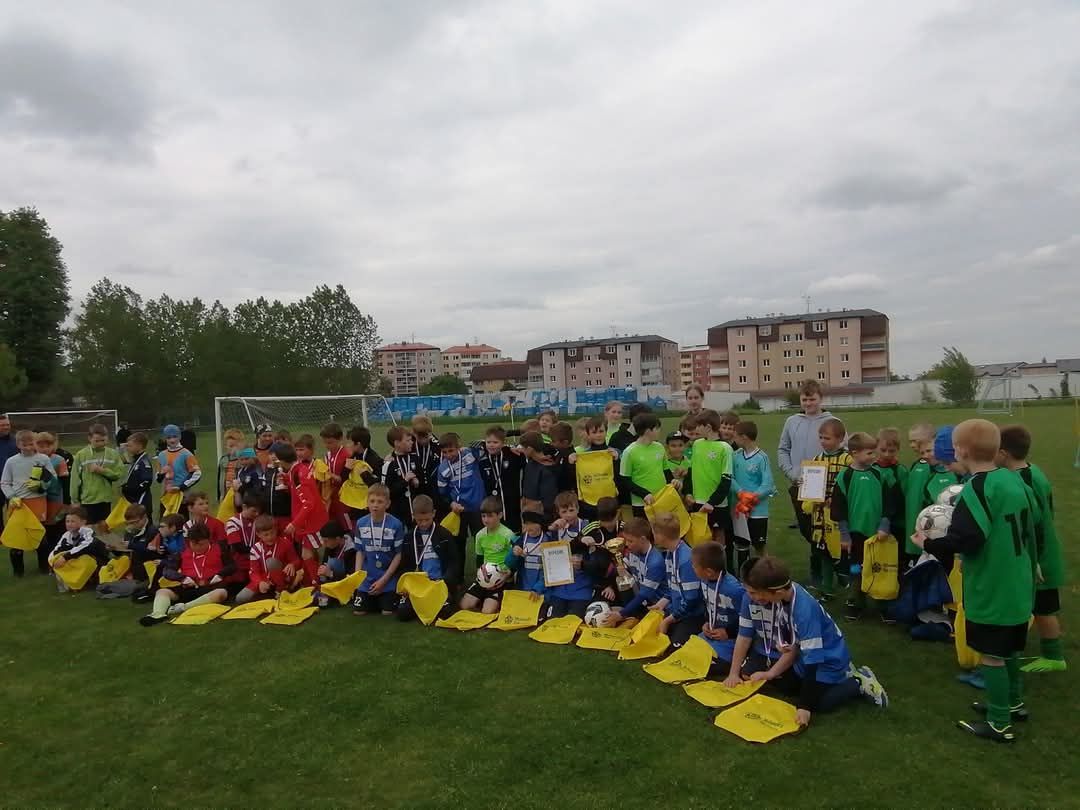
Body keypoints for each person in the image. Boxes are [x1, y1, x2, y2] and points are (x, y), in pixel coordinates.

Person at [912, 419, 1038, 743]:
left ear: (962, 450)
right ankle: (1012, 703)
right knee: (1009, 648)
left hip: (992, 584)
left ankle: (999, 723)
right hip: (1018, 578)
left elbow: (966, 540)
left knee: (991, 655)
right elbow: (1032, 526)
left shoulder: (977, 488)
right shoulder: (1013, 480)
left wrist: (928, 544)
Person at [724, 556, 887, 728]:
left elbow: (813, 661)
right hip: (803, 656)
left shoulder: (804, 610)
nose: (752, 597)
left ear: (776, 593)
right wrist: (770, 674)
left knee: (819, 704)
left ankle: (858, 681)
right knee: (786, 686)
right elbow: (794, 645)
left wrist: (804, 707)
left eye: (756, 593)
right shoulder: (785, 595)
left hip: (828, 660)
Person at [998, 425, 1066, 675]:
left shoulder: (1022, 479)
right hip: (1040, 550)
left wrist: (1034, 558)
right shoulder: (1033, 470)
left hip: (1038, 554)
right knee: (1040, 605)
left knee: (1043, 607)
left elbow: (1034, 523)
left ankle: (1054, 656)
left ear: (1003, 453)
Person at [831, 432, 899, 620]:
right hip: (855, 534)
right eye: (870, 453)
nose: (874, 457)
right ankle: (856, 601)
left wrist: (885, 524)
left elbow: (890, 503)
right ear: (854, 453)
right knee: (856, 567)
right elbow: (838, 508)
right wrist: (844, 535)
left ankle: (882, 603)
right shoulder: (845, 477)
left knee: (879, 567)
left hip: (878, 534)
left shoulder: (879, 474)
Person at [138, 523, 235, 625]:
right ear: (189, 542)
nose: (198, 548)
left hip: (211, 586)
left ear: (208, 540)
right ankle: (158, 614)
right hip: (189, 587)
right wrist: (182, 578)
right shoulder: (182, 552)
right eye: (194, 544)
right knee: (162, 591)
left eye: (202, 544)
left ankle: (184, 607)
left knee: (221, 593)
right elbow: (167, 571)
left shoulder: (220, 549)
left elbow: (232, 566)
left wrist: (220, 574)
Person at [777, 380, 834, 542]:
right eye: (804, 400)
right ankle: (817, 555)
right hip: (799, 484)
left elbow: (843, 452)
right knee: (806, 529)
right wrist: (792, 473)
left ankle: (823, 557)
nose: (808, 403)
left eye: (812, 399)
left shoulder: (833, 422)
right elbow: (783, 449)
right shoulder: (792, 422)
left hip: (825, 487)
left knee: (825, 528)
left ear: (821, 398)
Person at [801, 417, 851, 600]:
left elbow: (851, 487)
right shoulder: (817, 459)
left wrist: (836, 500)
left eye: (827, 438)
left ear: (840, 439)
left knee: (844, 553)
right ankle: (827, 588)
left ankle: (851, 584)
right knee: (824, 553)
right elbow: (810, 487)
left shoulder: (847, 460)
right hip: (820, 516)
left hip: (839, 517)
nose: (823, 441)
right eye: (821, 437)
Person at [2, 430, 57, 576]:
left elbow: (52, 478)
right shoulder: (11, 461)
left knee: (40, 537)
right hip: (18, 504)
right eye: (24, 445)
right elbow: (4, 482)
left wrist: (41, 485)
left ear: (35, 443)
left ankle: (44, 568)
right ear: (18, 444)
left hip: (38, 502)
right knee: (17, 539)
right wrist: (12, 496)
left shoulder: (43, 459)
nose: (28, 447)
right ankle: (18, 572)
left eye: (31, 444)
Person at [276, 442, 330, 587]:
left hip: (311, 522)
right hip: (312, 520)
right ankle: (316, 582)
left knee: (313, 553)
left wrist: (295, 524)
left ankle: (319, 584)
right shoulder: (298, 470)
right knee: (308, 553)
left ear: (282, 461)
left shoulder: (298, 474)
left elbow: (308, 503)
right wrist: (286, 480)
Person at [435, 432, 486, 583]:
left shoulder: (470, 454)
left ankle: (483, 577)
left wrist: (480, 443)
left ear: (459, 447)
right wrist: (451, 504)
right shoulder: (443, 469)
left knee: (481, 542)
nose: (448, 455)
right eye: (444, 452)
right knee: (458, 545)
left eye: (451, 450)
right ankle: (458, 579)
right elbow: (442, 493)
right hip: (459, 511)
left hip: (478, 508)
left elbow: (486, 448)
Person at [396, 496, 457, 621]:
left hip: (438, 584)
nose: (423, 523)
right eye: (419, 520)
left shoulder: (444, 535)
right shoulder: (409, 537)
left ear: (433, 513)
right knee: (403, 613)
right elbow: (404, 565)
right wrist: (406, 585)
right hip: (417, 586)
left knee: (445, 613)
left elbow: (454, 562)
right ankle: (421, 604)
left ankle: (433, 603)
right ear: (413, 515)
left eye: (427, 519)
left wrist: (445, 581)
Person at [685, 410, 734, 561]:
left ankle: (722, 569)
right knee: (700, 539)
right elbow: (691, 471)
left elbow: (726, 479)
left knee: (718, 538)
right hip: (698, 501)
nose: (696, 429)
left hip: (716, 504)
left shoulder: (725, 448)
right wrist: (688, 492)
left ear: (707, 427)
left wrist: (712, 502)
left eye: (698, 426)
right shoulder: (697, 444)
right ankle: (702, 568)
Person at [692, 540, 746, 674]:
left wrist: (729, 632)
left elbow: (747, 621)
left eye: (694, 566)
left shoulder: (734, 590)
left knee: (709, 665)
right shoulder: (704, 580)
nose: (692, 567)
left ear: (709, 572)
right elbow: (708, 605)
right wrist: (707, 622)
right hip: (712, 633)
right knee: (688, 654)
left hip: (730, 638)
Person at [602, 516, 666, 628]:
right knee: (620, 583)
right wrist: (609, 586)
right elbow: (621, 569)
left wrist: (621, 614)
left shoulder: (655, 562)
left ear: (642, 539)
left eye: (630, 541)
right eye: (626, 540)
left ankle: (631, 614)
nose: (626, 544)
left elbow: (644, 595)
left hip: (657, 606)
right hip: (642, 600)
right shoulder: (633, 552)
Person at [651, 512, 704, 647]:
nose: (653, 536)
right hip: (677, 613)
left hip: (692, 616)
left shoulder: (686, 561)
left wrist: (668, 621)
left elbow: (691, 600)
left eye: (654, 533)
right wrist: (662, 603)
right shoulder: (670, 553)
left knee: (674, 648)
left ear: (661, 536)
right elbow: (673, 586)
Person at [352, 484, 405, 616]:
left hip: (387, 579)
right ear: (367, 502)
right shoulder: (361, 523)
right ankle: (370, 597)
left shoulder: (396, 524)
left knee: (387, 612)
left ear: (388, 504)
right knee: (359, 612)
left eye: (380, 502)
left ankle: (383, 597)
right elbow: (360, 551)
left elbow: (398, 554)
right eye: (372, 501)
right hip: (366, 579)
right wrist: (357, 575)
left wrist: (384, 580)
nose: (375, 505)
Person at [460, 496, 515, 615]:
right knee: (464, 606)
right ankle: (484, 596)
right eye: (483, 516)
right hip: (485, 576)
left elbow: (516, 558)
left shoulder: (508, 535)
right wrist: (480, 574)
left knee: (487, 611)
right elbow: (479, 558)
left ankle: (492, 600)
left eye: (490, 516)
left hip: (501, 579)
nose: (486, 520)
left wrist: (508, 574)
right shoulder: (480, 535)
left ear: (500, 515)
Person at [544, 491, 593, 619]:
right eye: (564, 512)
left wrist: (583, 562)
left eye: (571, 510)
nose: (568, 515)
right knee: (553, 620)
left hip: (582, 585)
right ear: (558, 512)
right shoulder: (556, 529)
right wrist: (552, 529)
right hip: (561, 585)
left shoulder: (587, 526)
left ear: (578, 509)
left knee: (574, 619)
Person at [732, 420, 774, 565]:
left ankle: (766, 572)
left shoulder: (762, 458)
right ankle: (743, 573)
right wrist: (740, 493)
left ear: (744, 437)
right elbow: (730, 478)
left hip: (758, 511)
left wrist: (751, 498)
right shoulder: (736, 456)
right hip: (740, 510)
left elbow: (767, 485)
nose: (734, 439)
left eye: (735, 436)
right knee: (741, 545)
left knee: (759, 546)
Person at [235, 514, 302, 604]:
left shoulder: (285, 543)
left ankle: (282, 589)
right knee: (240, 598)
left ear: (276, 530)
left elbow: (297, 560)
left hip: (283, 577)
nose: (270, 537)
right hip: (264, 579)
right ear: (258, 534)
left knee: (271, 562)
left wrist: (292, 564)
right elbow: (254, 571)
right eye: (266, 535)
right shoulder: (255, 549)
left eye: (272, 533)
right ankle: (270, 593)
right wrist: (259, 582)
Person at [70, 423, 125, 528]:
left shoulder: (113, 454)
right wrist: (75, 500)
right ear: (89, 438)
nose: (100, 443)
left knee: (103, 529)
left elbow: (119, 474)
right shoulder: (81, 455)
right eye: (97, 441)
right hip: (87, 500)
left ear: (107, 438)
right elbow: (75, 479)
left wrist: (102, 471)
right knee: (88, 529)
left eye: (103, 440)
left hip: (105, 499)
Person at [473, 426, 524, 533]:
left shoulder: (513, 455)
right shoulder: (482, 459)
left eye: (495, 442)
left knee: (514, 534)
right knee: (495, 534)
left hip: (512, 504)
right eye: (488, 442)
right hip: (492, 505)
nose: (491, 445)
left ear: (503, 443)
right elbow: (469, 447)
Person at [48, 506, 109, 591]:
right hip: (78, 559)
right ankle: (69, 582)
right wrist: (53, 561)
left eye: (73, 521)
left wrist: (65, 557)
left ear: (83, 522)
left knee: (84, 559)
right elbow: (56, 550)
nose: (69, 524)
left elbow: (85, 546)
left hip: (99, 561)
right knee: (58, 558)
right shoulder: (67, 535)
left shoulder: (89, 532)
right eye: (67, 521)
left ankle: (82, 582)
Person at [619, 412, 666, 518]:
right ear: (648, 431)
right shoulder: (629, 451)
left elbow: (665, 470)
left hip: (662, 500)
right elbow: (625, 480)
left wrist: (673, 482)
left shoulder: (659, 447)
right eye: (657, 428)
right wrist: (644, 494)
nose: (659, 431)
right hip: (641, 504)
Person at [35, 432, 69, 567]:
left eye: (47, 446)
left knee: (56, 528)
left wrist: (67, 501)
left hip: (55, 499)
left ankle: (57, 558)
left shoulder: (59, 460)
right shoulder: (33, 459)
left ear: (53, 446)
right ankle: (43, 562)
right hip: (38, 500)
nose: (44, 449)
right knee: (41, 530)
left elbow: (65, 482)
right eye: (41, 446)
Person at [874, 428, 908, 561]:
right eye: (883, 450)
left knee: (897, 556)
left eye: (891, 451)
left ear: (898, 450)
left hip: (897, 522)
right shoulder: (872, 469)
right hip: (876, 520)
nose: (887, 454)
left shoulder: (900, 470)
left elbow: (905, 495)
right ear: (876, 447)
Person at [154, 424, 201, 520]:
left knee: (181, 523)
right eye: (169, 437)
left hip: (182, 497)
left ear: (179, 437)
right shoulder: (161, 455)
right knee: (165, 523)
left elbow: (196, 473)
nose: (172, 440)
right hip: (166, 497)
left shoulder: (186, 454)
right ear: (165, 439)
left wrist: (181, 487)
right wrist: (161, 475)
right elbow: (157, 476)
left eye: (175, 437)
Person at [381, 426, 420, 525]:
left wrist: (417, 482)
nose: (412, 442)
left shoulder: (415, 458)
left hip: (416, 510)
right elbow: (387, 491)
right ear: (397, 443)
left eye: (411, 440)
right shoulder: (389, 463)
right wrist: (405, 481)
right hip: (398, 513)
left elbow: (424, 483)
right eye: (408, 440)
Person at [224, 493, 262, 593]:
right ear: (244, 507)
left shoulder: (258, 521)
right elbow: (238, 547)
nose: (257, 514)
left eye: (258, 511)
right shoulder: (232, 522)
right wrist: (255, 550)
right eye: (254, 511)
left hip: (256, 562)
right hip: (239, 564)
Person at [507, 510, 548, 600]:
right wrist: (513, 554)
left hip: (541, 592)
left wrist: (538, 588)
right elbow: (509, 564)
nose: (529, 527)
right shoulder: (520, 540)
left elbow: (550, 570)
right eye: (526, 523)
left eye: (532, 523)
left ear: (540, 524)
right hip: (522, 589)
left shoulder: (548, 540)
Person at [316, 521, 357, 604]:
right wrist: (322, 576)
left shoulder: (353, 550)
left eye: (326, 541)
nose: (324, 544)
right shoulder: (330, 547)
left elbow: (352, 578)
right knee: (315, 598)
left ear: (337, 539)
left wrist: (331, 574)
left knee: (323, 600)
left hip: (348, 587)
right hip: (332, 584)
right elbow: (324, 565)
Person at [518, 431, 558, 517]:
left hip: (541, 516)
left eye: (523, 448)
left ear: (530, 449)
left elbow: (548, 501)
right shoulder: (530, 463)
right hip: (528, 512)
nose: (521, 450)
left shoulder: (546, 470)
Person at [320, 423, 350, 526]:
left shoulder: (346, 455)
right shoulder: (327, 455)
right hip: (330, 497)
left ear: (340, 438)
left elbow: (345, 479)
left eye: (330, 442)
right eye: (325, 442)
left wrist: (328, 474)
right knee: (331, 525)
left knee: (346, 525)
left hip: (343, 498)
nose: (327, 445)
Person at [122, 503, 158, 582]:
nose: (132, 525)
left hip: (147, 571)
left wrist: (131, 545)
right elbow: (126, 553)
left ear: (144, 517)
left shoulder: (153, 531)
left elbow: (152, 553)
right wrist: (114, 549)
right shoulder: (129, 531)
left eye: (135, 522)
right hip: (131, 569)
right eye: (129, 523)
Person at [120, 432, 154, 514]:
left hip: (142, 500)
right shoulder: (136, 459)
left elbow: (147, 481)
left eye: (130, 446)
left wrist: (132, 490)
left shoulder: (144, 461)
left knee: (143, 520)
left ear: (139, 446)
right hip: (134, 499)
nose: (128, 448)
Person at [410, 415, 441, 500]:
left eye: (426, 437)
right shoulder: (409, 442)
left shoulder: (436, 444)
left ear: (430, 433)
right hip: (414, 487)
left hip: (431, 486)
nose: (424, 440)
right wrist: (392, 455)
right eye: (420, 437)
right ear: (414, 433)